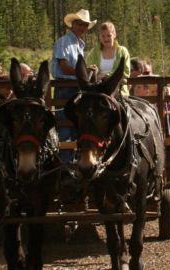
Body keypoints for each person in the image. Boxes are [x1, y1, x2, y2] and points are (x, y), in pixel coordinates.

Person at [51, 9, 97, 165]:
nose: (82, 28)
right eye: (79, 24)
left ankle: (76, 164)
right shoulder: (64, 41)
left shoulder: (79, 44)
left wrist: (86, 71)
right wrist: (82, 71)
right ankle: (65, 167)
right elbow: (64, 67)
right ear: (72, 25)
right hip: (65, 88)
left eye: (84, 25)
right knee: (65, 128)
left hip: (75, 88)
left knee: (78, 126)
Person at [86, 21, 130, 96]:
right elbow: (88, 69)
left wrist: (105, 76)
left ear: (114, 35)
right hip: (98, 89)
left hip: (118, 90)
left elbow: (126, 72)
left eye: (108, 35)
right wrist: (92, 70)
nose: (106, 38)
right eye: (103, 36)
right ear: (100, 37)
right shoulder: (94, 52)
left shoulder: (123, 51)